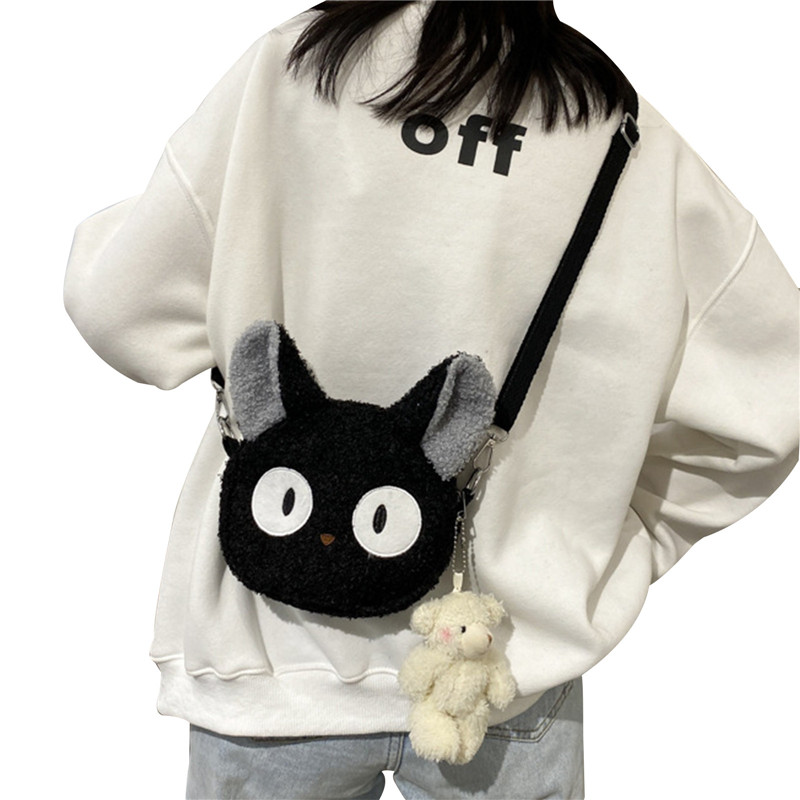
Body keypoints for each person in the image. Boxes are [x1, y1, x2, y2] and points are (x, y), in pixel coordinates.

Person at [62, 2, 799, 798]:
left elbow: (118, 308)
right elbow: (774, 387)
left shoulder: (295, 68)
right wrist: (613, 538)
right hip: (503, 657)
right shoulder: (617, 132)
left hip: (269, 655)